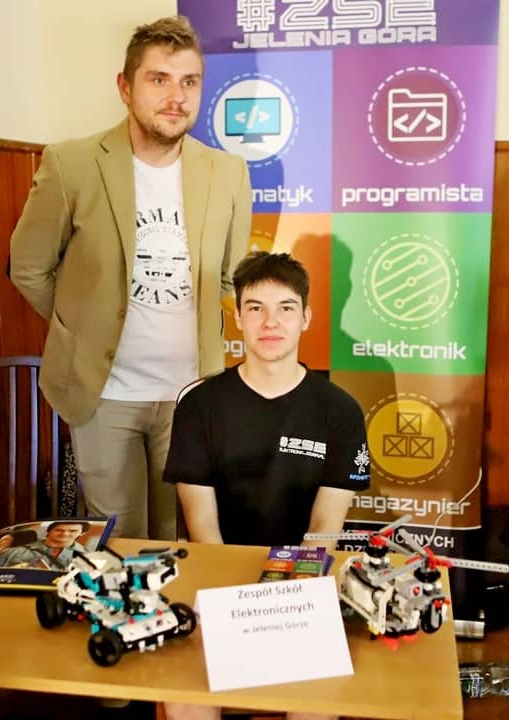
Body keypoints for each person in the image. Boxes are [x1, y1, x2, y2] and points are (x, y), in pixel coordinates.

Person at [9, 15, 252, 541]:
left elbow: (230, 279)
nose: (176, 97)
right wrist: (81, 326)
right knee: (116, 538)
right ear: (125, 87)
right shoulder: (72, 164)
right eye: (158, 79)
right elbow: (28, 267)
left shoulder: (228, 173)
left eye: (189, 82)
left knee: (174, 536)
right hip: (104, 393)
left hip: (191, 395)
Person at [163, 252, 368, 720]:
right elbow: (202, 527)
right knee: (183, 692)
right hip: (219, 577)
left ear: (306, 317)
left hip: (304, 583)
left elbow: (325, 527)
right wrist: (237, 608)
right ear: (238, 317)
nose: (270, 322)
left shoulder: (340, 410)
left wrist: (288, 603)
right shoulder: (199, 405)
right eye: (256, 308)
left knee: (318, 692)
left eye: (286, 308)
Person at [0, 521, 88, 571]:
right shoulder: (15, 551)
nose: (65, 534)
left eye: (73, 531)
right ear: (49, 530)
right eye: (59, 530)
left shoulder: (89, 557)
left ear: (82, 533)